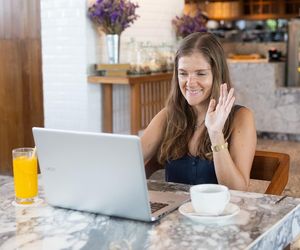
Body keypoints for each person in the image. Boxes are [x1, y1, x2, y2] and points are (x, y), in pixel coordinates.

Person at [141, 32, 256, 191]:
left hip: (218, 214)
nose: (190, 83)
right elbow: (130, 160)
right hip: (174, 214)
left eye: (200, 73)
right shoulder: (169, 115)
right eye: (183, 73)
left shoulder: (241, 118)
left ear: (217, 74)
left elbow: (237, 190)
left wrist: (216, 133)